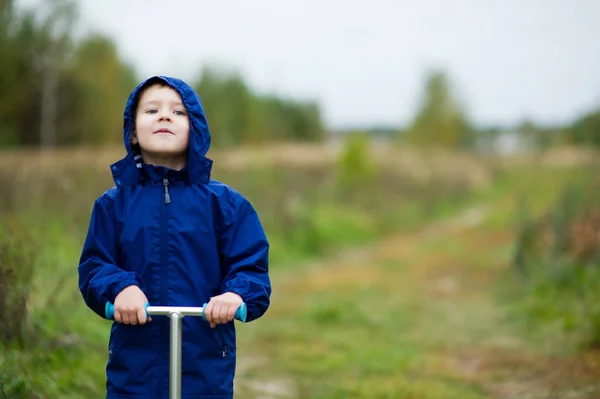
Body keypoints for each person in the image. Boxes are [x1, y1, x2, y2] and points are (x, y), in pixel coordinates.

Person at [78, 76, 272, 399]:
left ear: (194, 128)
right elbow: (94, 266)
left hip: (205, 368)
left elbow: (251, 269)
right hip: (134, 371)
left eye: (178, 112)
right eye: (152, 110)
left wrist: (235, 296)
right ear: (133, 133)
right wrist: (120, 287)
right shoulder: (113, 205)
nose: (165, 116)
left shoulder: (225, 205)